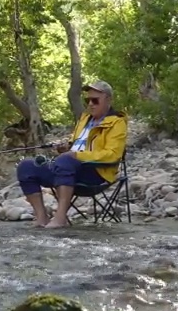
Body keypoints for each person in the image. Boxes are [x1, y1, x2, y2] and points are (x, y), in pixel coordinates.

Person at [15, 79, 128, 228]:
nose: (90, 104)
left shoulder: (117, 123)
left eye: (95, 100)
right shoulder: (84, 119)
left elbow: (113, 155)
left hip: (96, 173)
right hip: (69, 169)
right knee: (26, 166)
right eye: (87, 100)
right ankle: (41, 218)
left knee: (65, 161)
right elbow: (75, 144)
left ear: (108, 100)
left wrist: (76, 155)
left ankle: (60, 218)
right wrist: (66, 148)